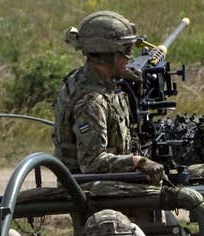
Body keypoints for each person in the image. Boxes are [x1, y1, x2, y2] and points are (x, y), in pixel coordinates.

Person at [53, 11, 165, 184]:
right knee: (178, 195)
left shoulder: (95, 80)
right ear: (107, 54)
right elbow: (91, 163)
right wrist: (137, 162)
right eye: (126, 50)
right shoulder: (92, 101)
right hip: (89, 188)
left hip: (106, 180)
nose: (130, 57)